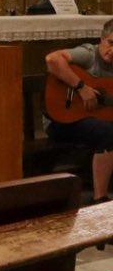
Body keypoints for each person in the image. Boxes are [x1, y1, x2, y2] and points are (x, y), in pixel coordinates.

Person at [46, 19, 113, 202]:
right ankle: (100, 198)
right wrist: (81, 88)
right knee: (107, 132)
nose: (112, 51)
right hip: (62, 119)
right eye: (111, 43)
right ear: (102, 39)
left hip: (93, 120)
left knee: (106, 127)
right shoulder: (88, 54)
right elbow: (52, 60)